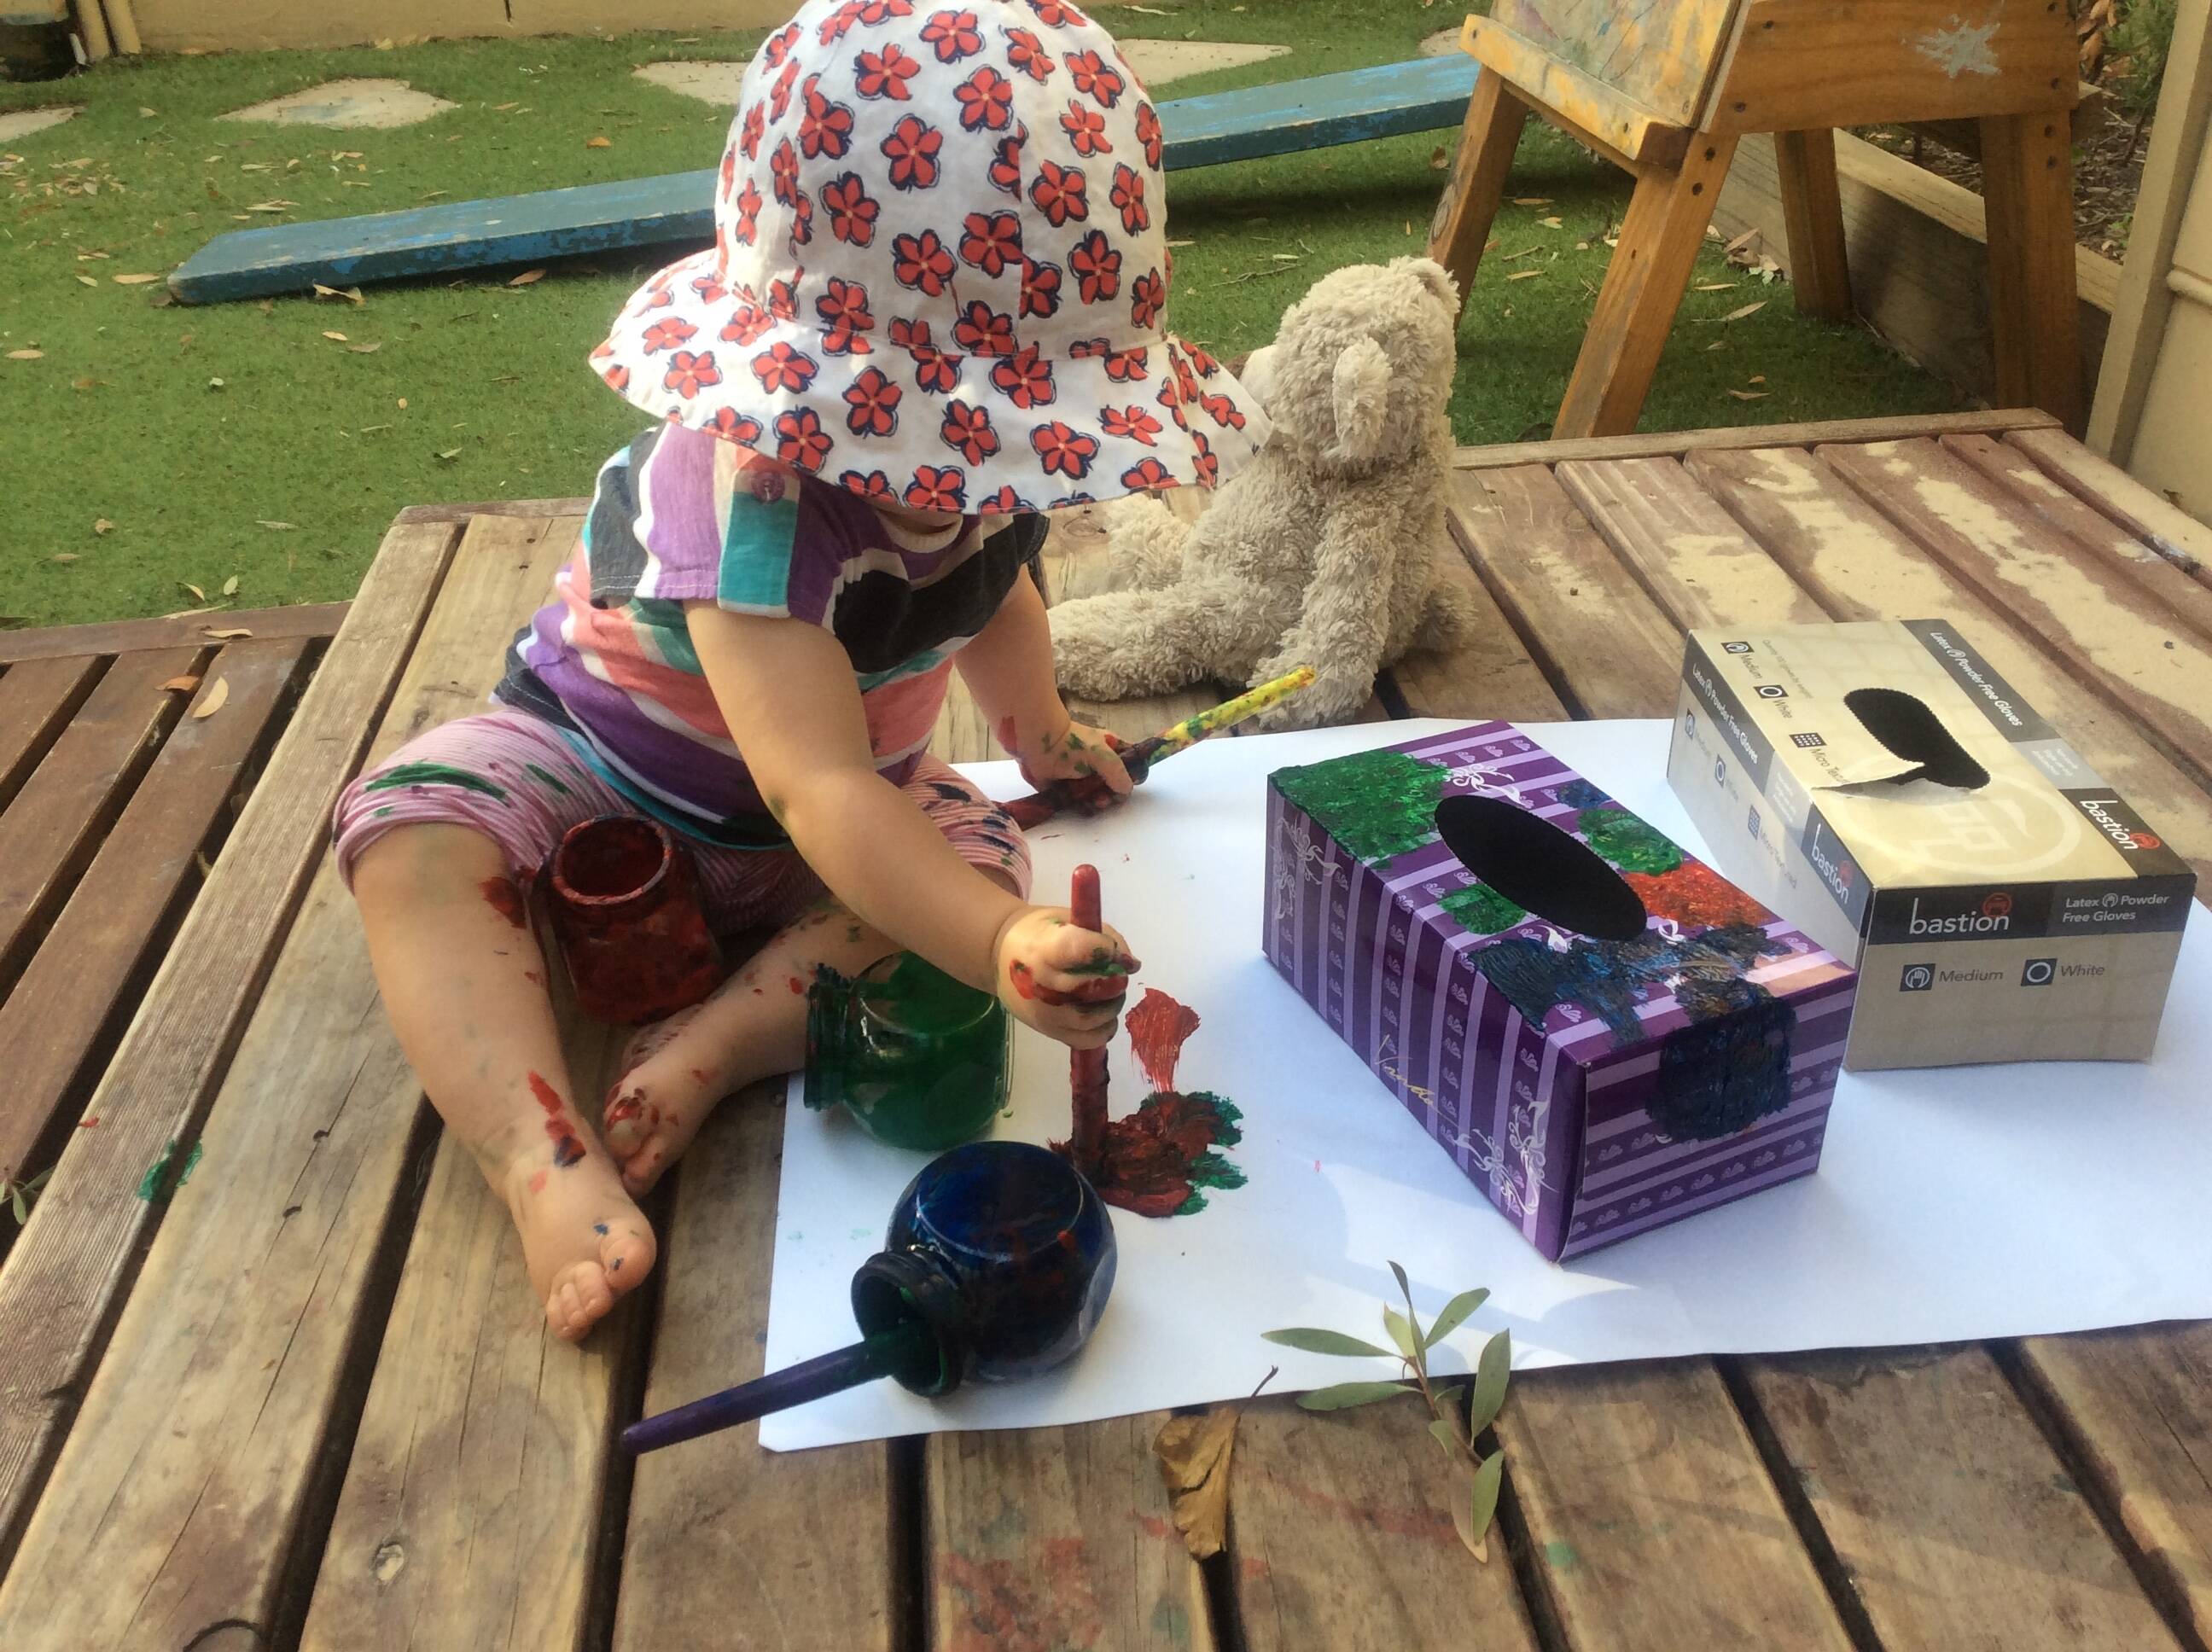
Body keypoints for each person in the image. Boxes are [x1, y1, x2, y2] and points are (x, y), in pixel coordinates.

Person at [333, 0, 1269, 1341]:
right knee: (413, 832)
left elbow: (998, 590)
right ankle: (535, 1154)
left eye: (1019, 429)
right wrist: (1000, 945)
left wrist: (1042, 732)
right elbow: (817, 784)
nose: (993, 469)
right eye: (967, 429)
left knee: (973, 855)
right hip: (601, 771)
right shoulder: (752, 495)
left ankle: (718, 1046)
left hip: (848, 819)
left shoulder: (995, 477)